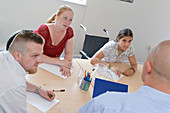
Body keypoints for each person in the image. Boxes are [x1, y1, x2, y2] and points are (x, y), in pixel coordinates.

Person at [79, 40, 170, 113]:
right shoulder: (110, 46)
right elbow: (94, 59)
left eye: (129, 41)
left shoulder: (106, 103)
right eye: (124, 41)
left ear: (148, 68)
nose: (126, 44)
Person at [0, 31, 55, 113]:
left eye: (41, 55)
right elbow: (15, 84)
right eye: (35, 56)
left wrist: (38, 90)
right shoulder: (15, 86)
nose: (40, 60)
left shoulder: (4, 56)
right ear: (18, 55)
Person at [34, 5, 74, 77]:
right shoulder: (44, 29)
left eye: (70, 20)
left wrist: (66, 64)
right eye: (65, 18)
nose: (67, 22)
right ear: (57, 16)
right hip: (36, 63)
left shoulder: (69, 31)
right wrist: (61, 62)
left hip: (52, 66)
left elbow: (69, 52)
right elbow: (37, 55)